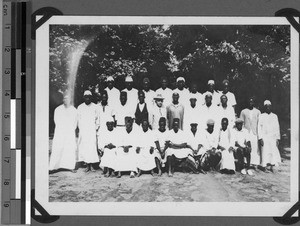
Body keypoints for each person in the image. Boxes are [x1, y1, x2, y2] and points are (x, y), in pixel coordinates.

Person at [49, 93, 77, 173]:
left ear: (70, 100)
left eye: (68, 99)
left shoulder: (74, 110)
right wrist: (61, 130)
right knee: (57, 148)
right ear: (62, 99)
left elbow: (75, 123)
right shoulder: (58, 109)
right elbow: (56, 121)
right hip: (60, 132)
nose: (66, 100)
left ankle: (70, 166)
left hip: (69, 133)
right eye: (64, 98)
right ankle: (53, 167)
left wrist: (70, 130)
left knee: (70, 148)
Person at [77, 90, 99, 172]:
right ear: (84, 98)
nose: (87, 98)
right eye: (86, 97)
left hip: (92, 130)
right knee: (85, 147)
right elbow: (78, 120)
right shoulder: (80, 107)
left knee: (92, 147)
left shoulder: (95, 107)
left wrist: (95, 128)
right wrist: (81, 129)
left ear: (91, 97)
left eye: (89, 97)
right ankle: (87, 165)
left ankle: (92, 165)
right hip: (84, 130)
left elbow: (97, 119)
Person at [258, 100, 281, 172]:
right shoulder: (261, 116)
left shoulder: (274, 116)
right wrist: (260, 138)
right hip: (264, 137)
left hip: (272, 137)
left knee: (273, 151)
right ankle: (264, 166)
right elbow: (259, 127)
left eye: (269, 106)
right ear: (264, 108)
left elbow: (277, 127)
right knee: (265, 151)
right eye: (266, 107)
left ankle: (272, 166)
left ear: (271, 107)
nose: (268, 108)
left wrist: (277, 138)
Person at [240, 97, 261, 169]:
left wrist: (259, 134)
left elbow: (259, 123)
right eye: (249, 102)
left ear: (254, 103)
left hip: (254, 132)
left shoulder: (258, 112)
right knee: (248, 147)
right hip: (247, 132)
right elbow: (241, 123)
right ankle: (246, 162)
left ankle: (254, 163)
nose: (250, 103)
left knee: (255, 147)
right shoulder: (243, 111)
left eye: (252, 102)